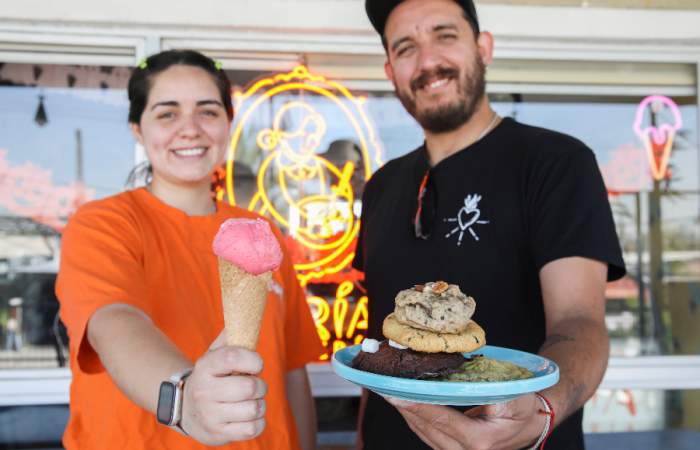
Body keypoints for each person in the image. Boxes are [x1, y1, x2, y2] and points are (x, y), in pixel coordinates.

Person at [353, 1, 626, 449]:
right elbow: (377, 342)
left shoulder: (556, 164)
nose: (428, 61)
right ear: (390, 71)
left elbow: (579, 322)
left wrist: (540, 408)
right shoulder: (381, 186)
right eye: (406, 47)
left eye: (445, 35)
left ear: (483, 47)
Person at [55, 50, 323, 450]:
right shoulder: (103, 223)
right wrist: (183, 400)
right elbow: (114, 322)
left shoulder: (259, 232)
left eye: (208, 111)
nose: (190, 129)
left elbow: (291, 370)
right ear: (137, 129)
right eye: (167, 113)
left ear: (229, 123)